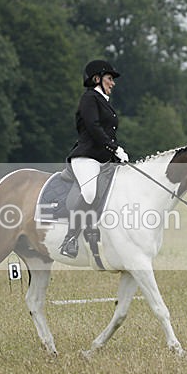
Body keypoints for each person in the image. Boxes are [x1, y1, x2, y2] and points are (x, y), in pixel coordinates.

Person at [59, 59, 129, 258]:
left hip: (103, 158)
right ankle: (70, 238)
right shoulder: (89, 98)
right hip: (86, 157)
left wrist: (115, 152)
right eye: (109, 79)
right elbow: (93, 127)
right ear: (96, 79)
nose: (113, 83)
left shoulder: (104, 102)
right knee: (89, 192)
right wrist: (114, 148)